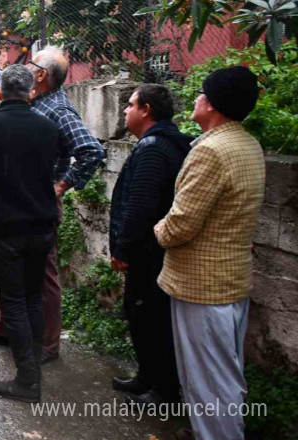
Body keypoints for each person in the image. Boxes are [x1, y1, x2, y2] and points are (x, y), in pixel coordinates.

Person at [0, 43, 104, 363]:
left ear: (41, 75)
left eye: (32, 64)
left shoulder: (58, 111)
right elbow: (3, 77)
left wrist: (60, 186)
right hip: (9, 203)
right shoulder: (30, 98)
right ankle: (8, 328)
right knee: (7, 272)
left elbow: (92, 151)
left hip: (37, 206)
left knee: (42, 278)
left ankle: (47, 345)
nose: (25, 69)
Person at [153, 66, 264, 440]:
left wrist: (158, 229)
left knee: (209, 379)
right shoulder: (246, 144)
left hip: (202, 285)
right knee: (223, 370)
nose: (196, 99)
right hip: (230, 279)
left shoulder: (212, 151)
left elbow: (181, 224)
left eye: (201, 93)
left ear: (212, 104)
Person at [0, 65, 66, 403]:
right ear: (30, 92)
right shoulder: (48, 127)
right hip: (40, 226)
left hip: (2, 228)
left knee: (13, 302)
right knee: (32, 298)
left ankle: (28, 381)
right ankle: (31, 374)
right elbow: (62, 164)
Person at [108, 84, 192, 405]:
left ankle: (164, 390)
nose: (125, 111)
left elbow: (140, 205)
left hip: (147, 253)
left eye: (130, 105)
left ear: (146, 110)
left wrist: (123, 249)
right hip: (154, 250)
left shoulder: (154, 148)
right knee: (141, 313)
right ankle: (146, 376)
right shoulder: (163, 143)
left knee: (150, 317)